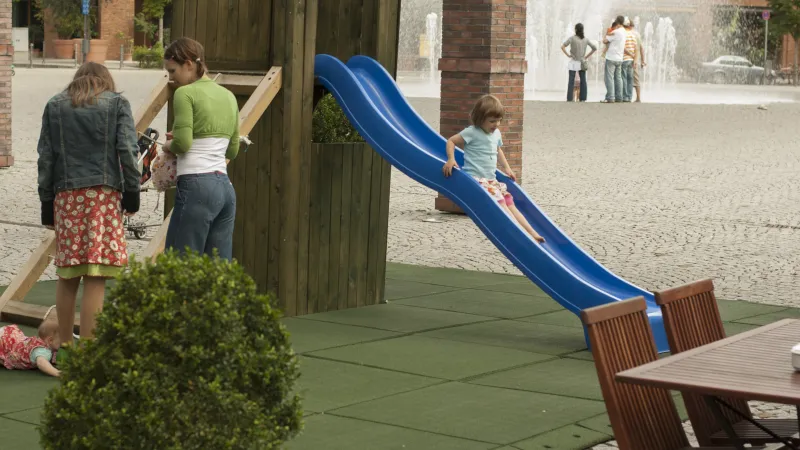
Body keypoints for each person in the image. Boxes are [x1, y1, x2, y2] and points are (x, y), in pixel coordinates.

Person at [37, 62, 140, 361]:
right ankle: (92, 353)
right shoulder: (117, 103)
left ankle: (66, 349)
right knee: (96, 275)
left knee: (67, 274)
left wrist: (47, 203)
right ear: (105, 80)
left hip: (66, 198)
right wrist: (131, 193)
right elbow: (128, 151)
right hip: (103, 198)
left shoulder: (55, 105)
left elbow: (46, 157)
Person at [162, 37, 241, 261]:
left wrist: (169, 145)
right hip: (225, 189)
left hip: (196, 186)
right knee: (216, 271)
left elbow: (183, 144)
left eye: (172, 70)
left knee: (179, 265)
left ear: (189, 64)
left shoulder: (184, 94)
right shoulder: (229, 96)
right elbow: (232, 151)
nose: (171, 78)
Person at [442, 95, 545, 243]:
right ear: (479, 118)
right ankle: (520, 233)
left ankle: (532, 233)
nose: (496, 124)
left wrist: (507, 168)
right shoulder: (472, 132)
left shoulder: (496, 133)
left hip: (491, 181)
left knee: (511, 204)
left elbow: (498, 150)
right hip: (477, 180)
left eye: (498, 120)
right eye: (491, 121)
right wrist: (451, 159)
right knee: (502, 204)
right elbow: (451, 141)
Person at [561, 23, 597, 102]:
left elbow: (562, 46)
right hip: (582, 61)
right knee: (583, 80)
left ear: (576, 29)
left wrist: (568, 54)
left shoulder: (572, 38)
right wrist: (586, 56)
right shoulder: (586, 39)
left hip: (573, 61)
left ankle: (570, 98)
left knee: (571, 80)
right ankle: (583, 98)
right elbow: (594, 48)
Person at [602, 16, 627, 103]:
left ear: (617, 21)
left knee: (609, 78)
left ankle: (610, 97)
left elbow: (605, 41)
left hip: (611, 57)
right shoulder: (624, 32)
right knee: (618, 78)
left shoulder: (615, 32)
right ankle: (619, 97)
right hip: (620, 58)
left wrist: (607, 32)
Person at [621, 17, 638, 103]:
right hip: (631, 60)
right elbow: (636, 48)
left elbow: (623, 47)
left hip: (624, 59)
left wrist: (629, 54)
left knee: (624, 78)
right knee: (630, 79)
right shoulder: (633, 34)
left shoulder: (624, 34)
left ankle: (625, 96)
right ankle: (630, 97)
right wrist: (635, 60)